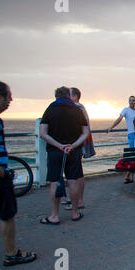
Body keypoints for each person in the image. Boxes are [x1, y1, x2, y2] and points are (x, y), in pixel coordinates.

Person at [0, 81, 37, 266]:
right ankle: (11, 253)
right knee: (7, 216)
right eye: (9, 96)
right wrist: (2, 173)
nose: (11, 100)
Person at [39, 86, 89, 224]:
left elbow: (43, 133)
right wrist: (72, 145)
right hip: (73, 151)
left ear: (56, 96)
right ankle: (75, 212)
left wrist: (59, 145)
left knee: (55, 182)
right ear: (68, 95)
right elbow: (86, 132)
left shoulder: (50, 109)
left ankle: (54, 216)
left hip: (55, 151)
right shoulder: (77, 110)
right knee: (73, 181)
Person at [63, 87, 94, 210]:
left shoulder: (78, 107)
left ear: (75, 96)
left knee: (77, 173)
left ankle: (78, 200)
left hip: (78, 142)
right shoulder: (79, 107)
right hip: (79, 142)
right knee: (76, 172)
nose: (67, 97)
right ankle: (74, 198)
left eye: (69, 95)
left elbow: (81, 126)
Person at [107, 96, 135, 183]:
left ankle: (131, 175)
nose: (131, 102)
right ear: (128, 101)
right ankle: (128, 175)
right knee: (134, 155)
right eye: (130, 101)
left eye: (133, 101)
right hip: (132, 135)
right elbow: (119, 119)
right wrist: (111, 127)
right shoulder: (125, 110)